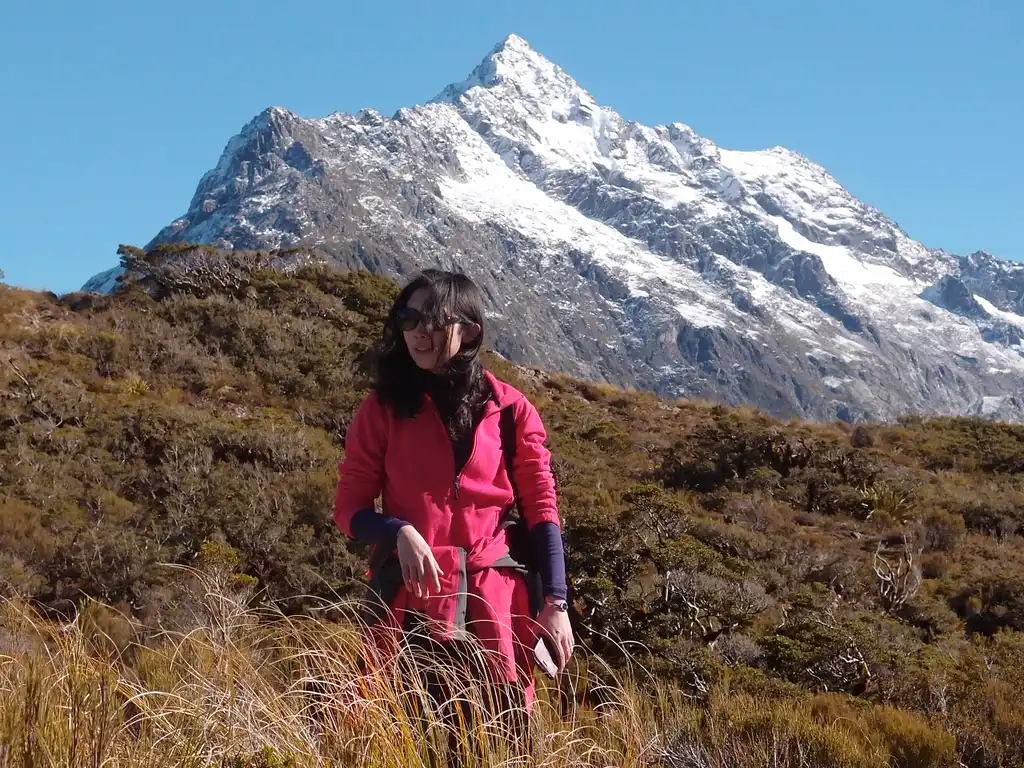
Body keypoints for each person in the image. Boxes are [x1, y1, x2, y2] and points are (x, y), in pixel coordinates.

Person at [333, 268, 574, 759]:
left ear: (471, 331)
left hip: (495, 604)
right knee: (417, 738)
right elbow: (349, 511)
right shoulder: (381, 410)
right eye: (408, 317)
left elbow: (541, 511)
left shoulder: (511, 410)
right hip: (413, 600)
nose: (418, 330)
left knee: (504, 744)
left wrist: (556, 602)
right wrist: (397, 529)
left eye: (434, 319)